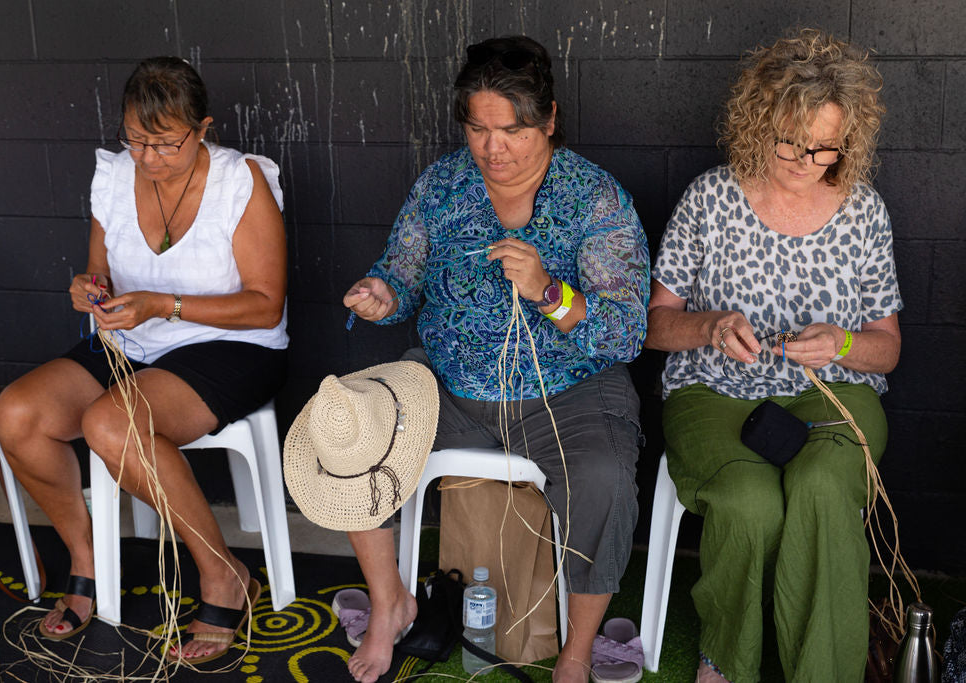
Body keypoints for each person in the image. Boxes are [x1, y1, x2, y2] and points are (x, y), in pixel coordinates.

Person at [288, 35, 650, 683]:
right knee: (351, 429)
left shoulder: (593, 199)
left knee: (601, 475)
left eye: (511, 130)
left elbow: (626, 332)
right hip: (448, 386)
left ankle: (574, 654)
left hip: (565, 389)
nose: (492, 148)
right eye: (478, 128)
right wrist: (381, 293)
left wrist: (550, 290)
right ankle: (390, 601)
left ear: (549, 120)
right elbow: (402, 273)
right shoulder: (444, 186)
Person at [0, 56, 288, 664]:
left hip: (231, 348)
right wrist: (90, 291)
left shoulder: (241, 181)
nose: (149, 158)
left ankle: (222, 574)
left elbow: (264, 305)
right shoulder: (114, 175)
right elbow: (101, 272)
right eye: (137, 141)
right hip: (131, 341)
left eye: (166, 143)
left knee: (111, 421)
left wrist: (163, 303)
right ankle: (87, 560)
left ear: (203, 128)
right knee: (16, 415)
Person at [645, 29, 900, 682]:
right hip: (714, 393)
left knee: (819, 486)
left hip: (833, 393)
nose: (802, 158)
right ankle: (725, 661)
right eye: (790, 141)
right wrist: (709, 325)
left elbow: (887, 349)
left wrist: (842, 342)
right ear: (760, 121)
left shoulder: (863, 213)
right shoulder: (710, 200)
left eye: (821, 148)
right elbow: (653, 326)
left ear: (846, 142)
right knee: (750, 502)